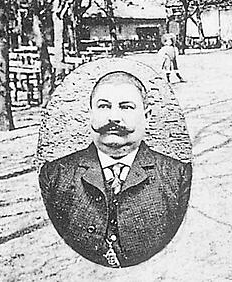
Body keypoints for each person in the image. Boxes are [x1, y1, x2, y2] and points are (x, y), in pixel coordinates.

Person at [38, 71, 192, 268]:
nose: (113, 117)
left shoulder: (177, 176)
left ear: (147, 116)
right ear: (90, 113)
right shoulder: (55, 175)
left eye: (126, 107)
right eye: (104, 106)